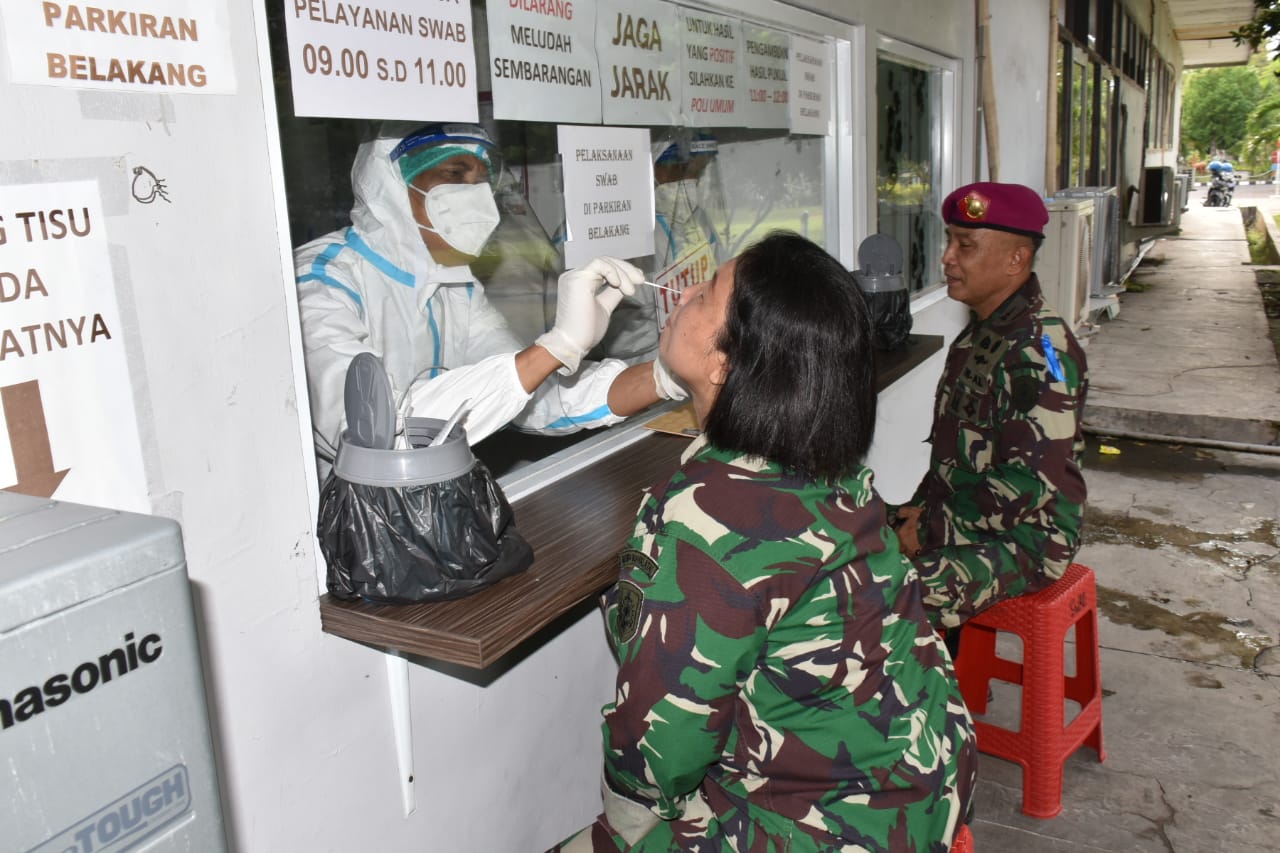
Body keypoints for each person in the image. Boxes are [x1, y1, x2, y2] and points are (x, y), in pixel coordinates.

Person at [554, 232, 976, 852]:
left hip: (847, 831)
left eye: (705, 295)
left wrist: (622, 832)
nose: (684, 293)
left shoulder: (709, 517)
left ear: (728, 362)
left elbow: (660, 742)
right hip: (931, 776)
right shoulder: (826, 465)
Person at [294, 122, 685, 475]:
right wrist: (558, 346)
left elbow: (537, 398)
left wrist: (669, 376)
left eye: (483, 180)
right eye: (454, 175)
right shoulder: (322, 280)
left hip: (430, 507)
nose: (478, 197)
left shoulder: (454, 284)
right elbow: (375, 434)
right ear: (391, 183)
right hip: (342, 530)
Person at [892, 181, 1089, 631]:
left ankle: (923, 697)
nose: (948, 257)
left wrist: (925, 533)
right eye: (949, 241)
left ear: (1016, 259)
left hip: (1028, 538)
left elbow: (1026, 484)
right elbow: (952, 452)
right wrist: (918, 513)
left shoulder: (1041, 351)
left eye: (965, 245)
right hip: (959, 514)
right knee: (842, 530)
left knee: (881, 595)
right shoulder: (984, 332)